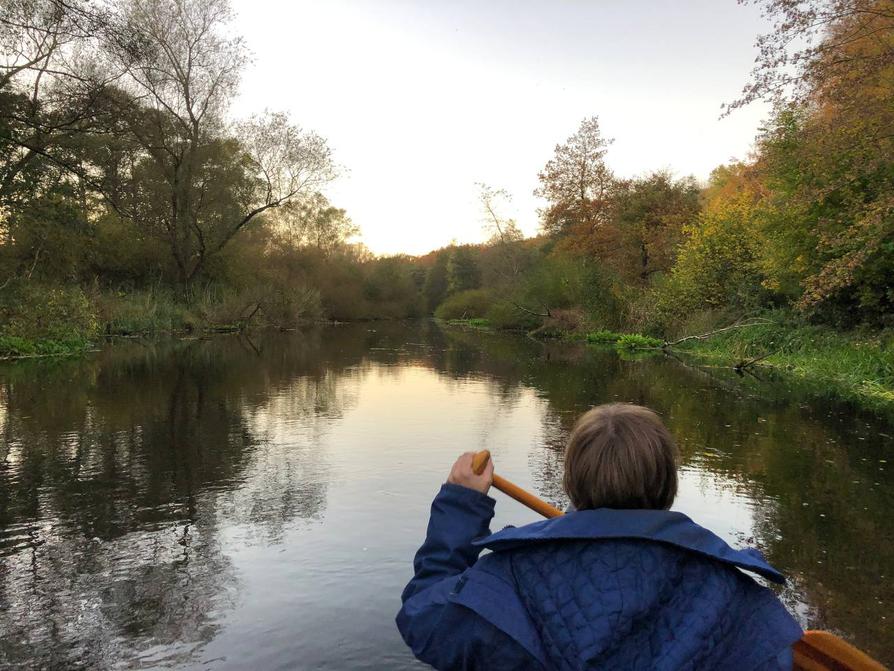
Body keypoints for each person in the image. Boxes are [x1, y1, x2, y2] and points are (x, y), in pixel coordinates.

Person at [396, 403, 802, 670]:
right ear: (668, 485)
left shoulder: (508, 576)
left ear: (572, 483)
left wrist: (462, 504)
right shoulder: (737, 598)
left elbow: (422, 619)